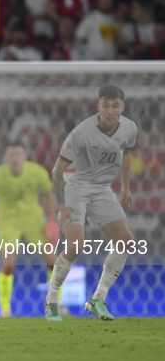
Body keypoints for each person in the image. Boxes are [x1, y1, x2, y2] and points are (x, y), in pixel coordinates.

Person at [45, 85, 137, 321]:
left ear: (122, 107)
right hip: (76, 184)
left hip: (102, 189)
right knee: (75, 245)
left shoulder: (129, 128)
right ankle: (51, 299)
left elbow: (125, 153)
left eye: (115, 106)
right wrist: (62, 205)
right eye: (105, 105)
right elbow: (57, 170)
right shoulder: (82, 132)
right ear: (98, 106)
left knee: (126, 241)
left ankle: (98, 298)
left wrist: (125, 187)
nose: (109, 111)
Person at [0, 143, 60, 317]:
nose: (15, 158)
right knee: (8, 265)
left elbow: (49, 193)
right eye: (11, 154)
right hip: (8, 222)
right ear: (6, 158)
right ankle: (5, 309)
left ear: (25, 156)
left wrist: (52, 220)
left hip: (33, 220)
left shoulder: (37, 172)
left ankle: (55, 304)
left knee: (55, 262)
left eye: (18, 154)